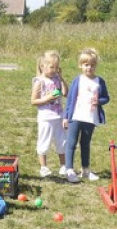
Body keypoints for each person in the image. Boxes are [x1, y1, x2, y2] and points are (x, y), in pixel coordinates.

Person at [63, 47, 110, 183]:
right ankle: (69, 169)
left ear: (96, 66)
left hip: (90, 117)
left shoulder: (99, 82)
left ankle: (85, 170)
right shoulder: (77, 80)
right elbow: (70, 99)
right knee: (71, 143)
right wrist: (66, 117)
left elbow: (106, 98)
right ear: (80, 65)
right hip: (76, 116)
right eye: (86, 65)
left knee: (85, 143)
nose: (89, 68)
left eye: (92, 65)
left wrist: (99, 101)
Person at [30, 50, 68, 178]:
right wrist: (48, 98)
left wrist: (61, 77)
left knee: (62, 141)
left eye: (57, 67)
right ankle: (44, 167)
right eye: (52, 67)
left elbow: (65, 93)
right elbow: (33, 101)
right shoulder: (39, 81)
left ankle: (63, 165)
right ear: (43, 67)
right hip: (46, 117)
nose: (55, 70)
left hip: (59, 116)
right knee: (44, 141)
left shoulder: (57, 79)